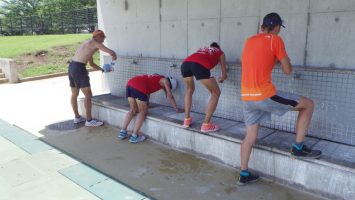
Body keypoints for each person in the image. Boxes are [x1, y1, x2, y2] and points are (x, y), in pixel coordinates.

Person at [237, 12, 322, 185]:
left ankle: (243, 174)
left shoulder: (249, 41)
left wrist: (270, 61)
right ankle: (298, 148)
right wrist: (285, 60)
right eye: (279, 29)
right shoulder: (275, 40)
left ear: (262, 27)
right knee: (308, 105)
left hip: (246, 96)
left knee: (250, 136)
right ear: (276, 28)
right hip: (264, 94)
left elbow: (249, 61)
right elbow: (288, 70)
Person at [69, 30, 117, 127]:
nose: (103, 40)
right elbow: (111, 52)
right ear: (98, 37)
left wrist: (102, 69)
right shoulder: (95, 43)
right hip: (79, 68)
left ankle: (77, 118)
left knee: (74, 94)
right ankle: (89, 120)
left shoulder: (88, 45)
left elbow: (91, 64)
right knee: (88, 95)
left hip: (72, 66)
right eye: (103, 37)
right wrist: (113, 58)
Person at [118, 74, 180, 143]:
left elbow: (147, 91)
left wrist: (146, 103)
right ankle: (134, 136)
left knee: (133, 110)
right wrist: (176, 109)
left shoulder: (156, 78)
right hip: (139, 87)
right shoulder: (165, 80)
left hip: (130, 84)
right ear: (170, 83)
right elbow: (170, 96)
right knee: (142, 112)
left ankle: (122, 132)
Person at [180, 42, 228, 133]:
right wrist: (221, 78)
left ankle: (186, 120)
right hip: (198, 66)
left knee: (189, 89)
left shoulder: (202, 49)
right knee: (216, 93)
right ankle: (206, 125)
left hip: (185, 64)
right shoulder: (220, 52)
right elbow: (224, 75)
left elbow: (199, 60)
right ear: (218, 48)